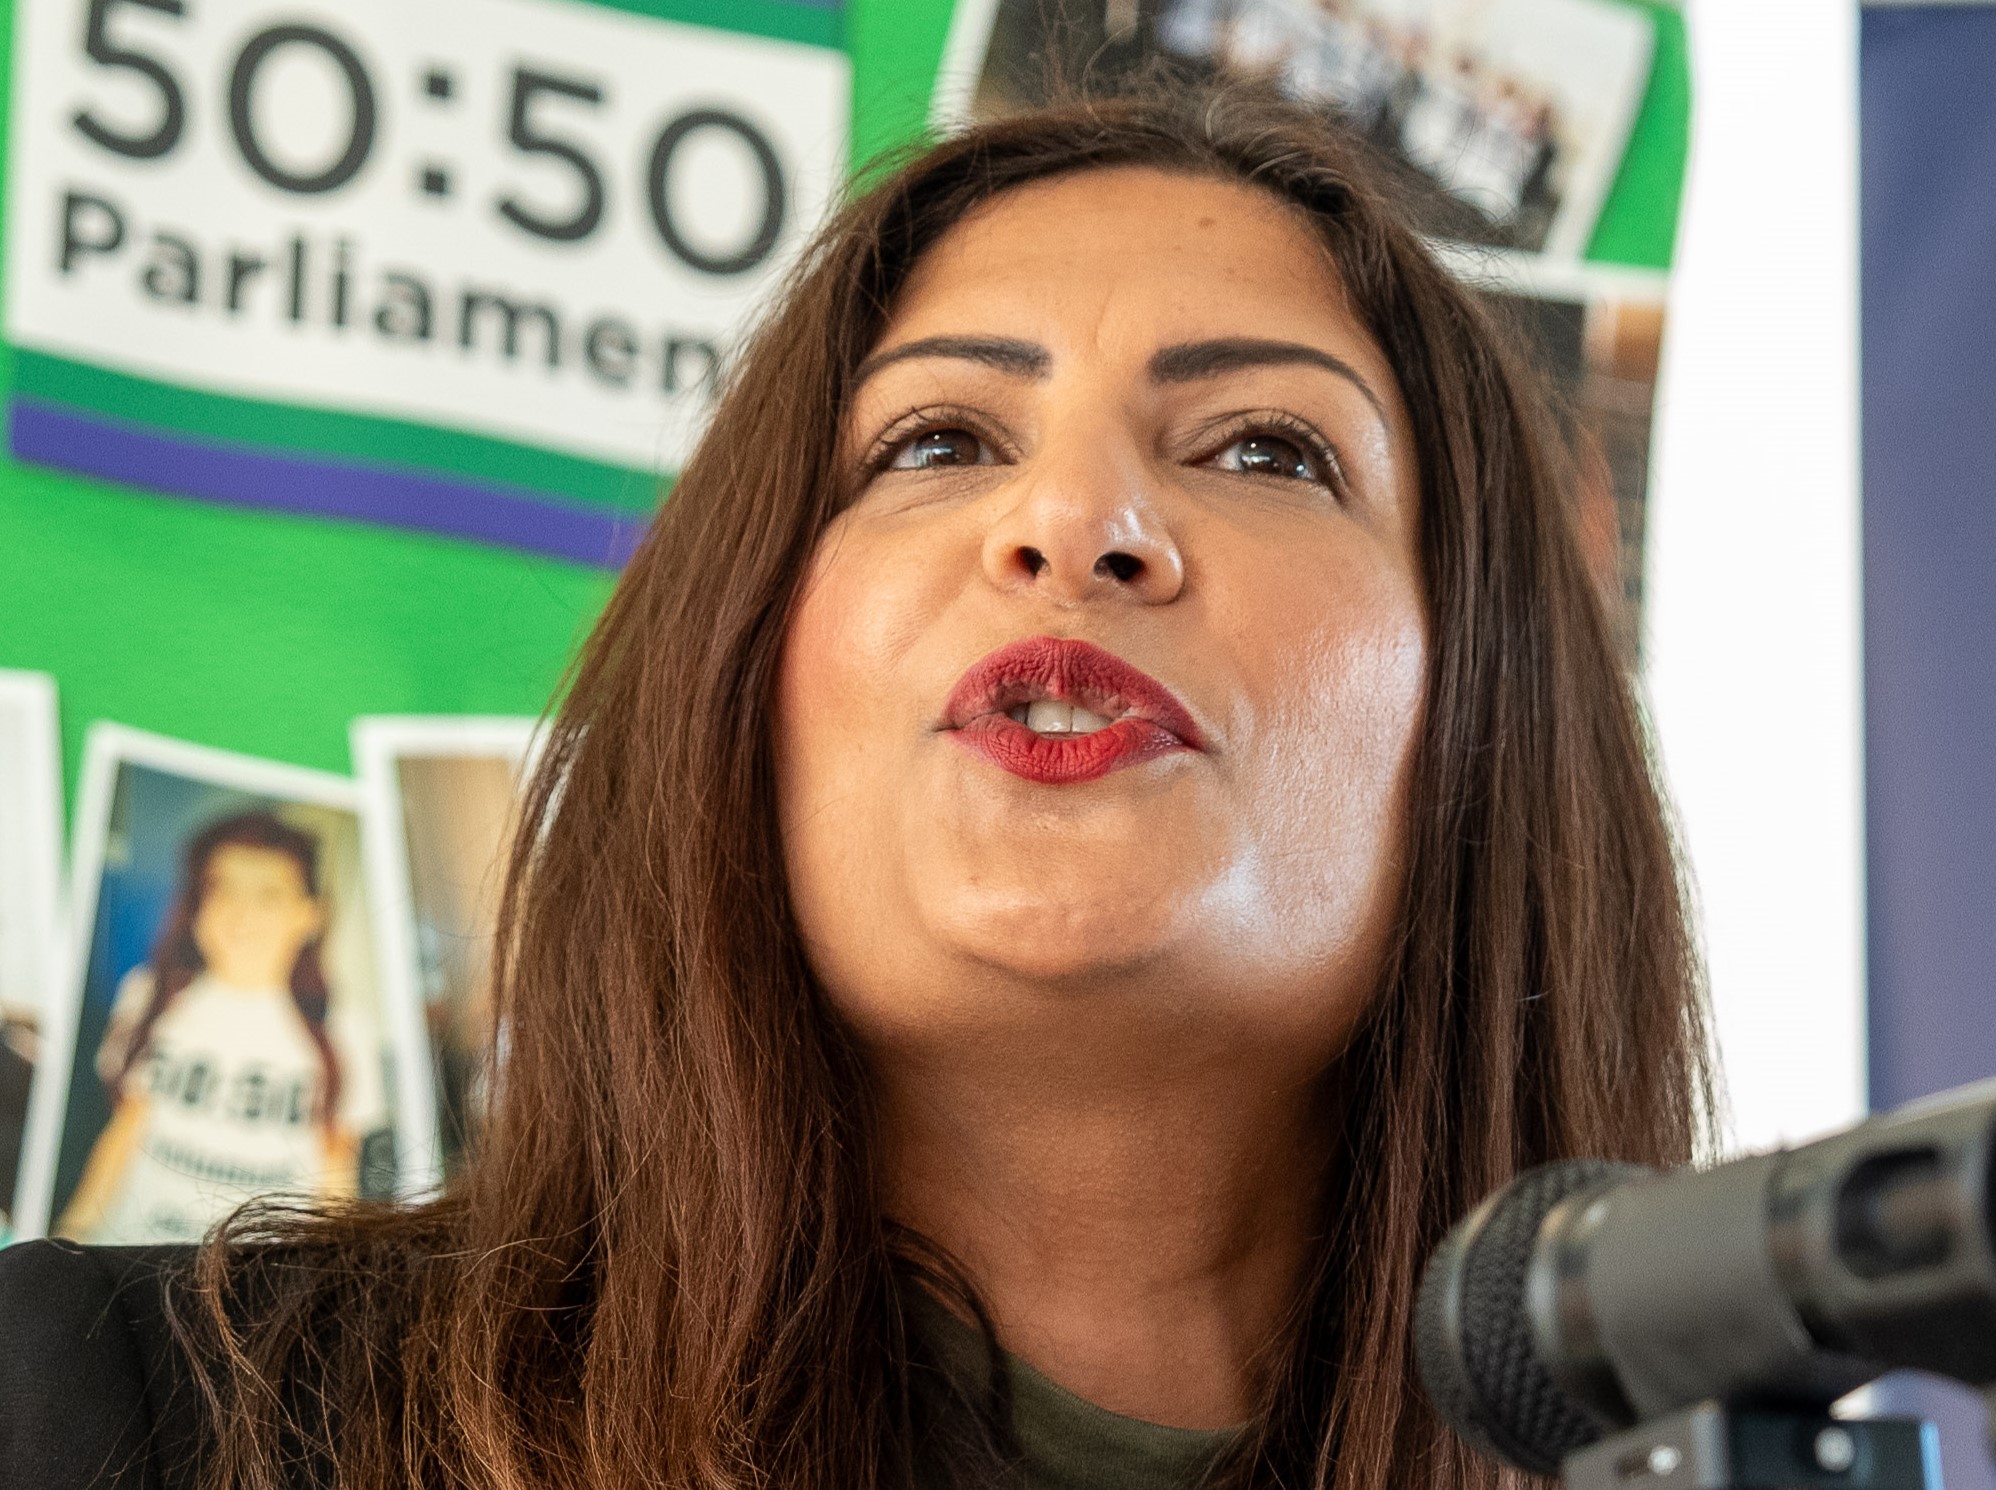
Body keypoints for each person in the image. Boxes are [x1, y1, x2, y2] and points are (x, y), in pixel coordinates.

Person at [0, 85, 1707, 1490]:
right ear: (737, 679)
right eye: (936, 443)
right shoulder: (98, 1417)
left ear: (1490, 716)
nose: (1076, 522)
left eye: (1267, 449)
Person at [54, 810, 363, 1243]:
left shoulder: (343, 1031)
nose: (241, 913)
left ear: (309, 914)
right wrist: (69, 1239)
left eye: (269, 895)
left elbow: (336, 1177)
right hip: (134, 1257)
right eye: (222, 890)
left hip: (255, 1284)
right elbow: (124, 1132)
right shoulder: (147, 996)